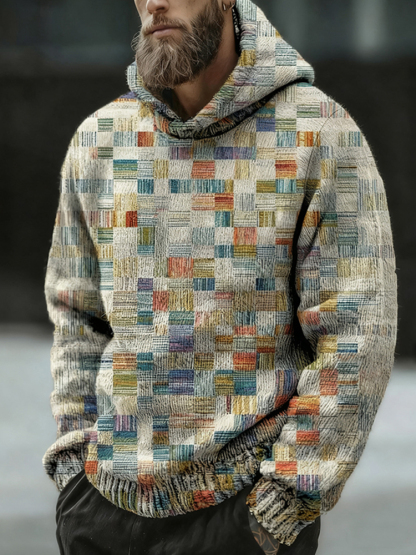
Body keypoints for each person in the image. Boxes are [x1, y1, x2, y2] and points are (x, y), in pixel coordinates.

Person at [43, 1, 398, 554]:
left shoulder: (318, 135)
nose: (154, 2)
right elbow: (77, 317)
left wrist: (286, 496)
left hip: (243, 518)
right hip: (102, 512)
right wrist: (74, 468)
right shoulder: (100, 141)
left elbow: (357, 333)